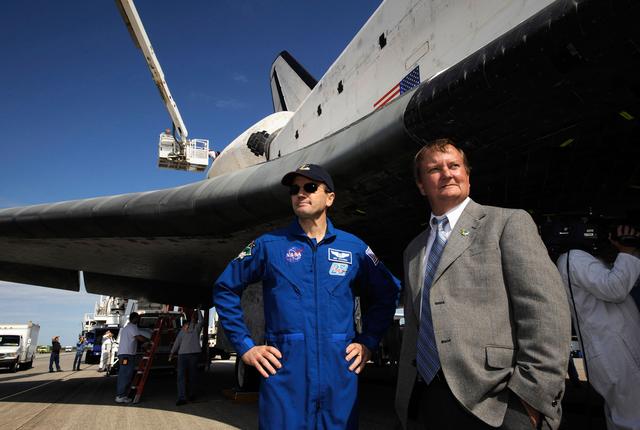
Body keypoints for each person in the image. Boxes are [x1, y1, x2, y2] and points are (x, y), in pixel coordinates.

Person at [395, 138, 571, 429]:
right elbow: (414, 328)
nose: (447, 173)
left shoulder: (508, 223)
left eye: (454, 165)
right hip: (428, 399)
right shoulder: (413, 250)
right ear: (421, 185)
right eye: (434, 169)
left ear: (467, 175)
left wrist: (530, 399)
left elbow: (545, 313)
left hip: (497, 402)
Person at [214, 163, 400, 429]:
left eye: (310, 187)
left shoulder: (355, 248)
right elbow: (224, 287)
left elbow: (388, 291)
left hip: (339, 382)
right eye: (294, 189)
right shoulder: (269, 245)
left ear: (330, 197)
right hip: (285, 382)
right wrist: (245, 346)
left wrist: (367, 342)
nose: (301, 193)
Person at [556, 225, 640, 430]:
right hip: (612, 351)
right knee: (631, 419)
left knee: (624, 416)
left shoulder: (587, 261)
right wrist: (627, 252)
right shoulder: (573, 258)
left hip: (615, 349)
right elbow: (615, 288)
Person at [169, 309, 204, 406]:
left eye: (193, 318)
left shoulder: (196, 328)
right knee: (185, 376)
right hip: (187, 355)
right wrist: (172, 352)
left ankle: (188, 396)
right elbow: (177, 342)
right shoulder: (183, 330)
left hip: (188, 355)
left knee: (188, 376)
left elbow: (201, 321)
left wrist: (199, 311)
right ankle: (184, 397)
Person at [115, 312, 148, 404]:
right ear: (134, 319)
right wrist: (149, 340)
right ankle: (120, 396)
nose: (139, 320)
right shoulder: (133, 327)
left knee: (125, 374)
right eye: (138, 318)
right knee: (125, 375)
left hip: (125, 354)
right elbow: (139, 338)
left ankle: (122, 395)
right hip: (127, 355)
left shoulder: (127, 328)